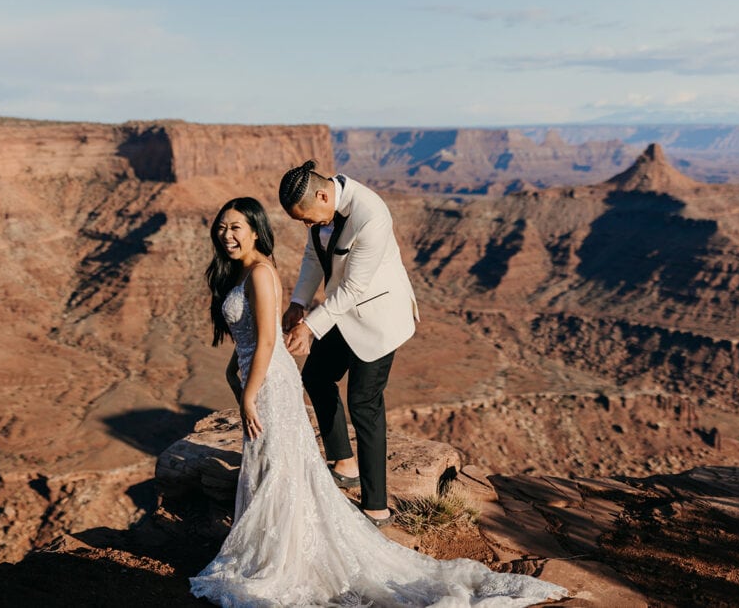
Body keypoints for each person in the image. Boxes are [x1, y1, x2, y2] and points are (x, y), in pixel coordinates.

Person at [190, 196, 566, 607]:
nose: (226, 235)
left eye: (236, 227)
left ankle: (321, 534)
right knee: (271, 464)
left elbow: (266, 340)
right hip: (259, 378)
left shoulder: (261, 273)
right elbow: (249, 335)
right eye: (222, 227)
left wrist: (247, 394)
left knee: (282, 462)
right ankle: (274, 545)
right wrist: (235, 371)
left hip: (272, 384)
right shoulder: (243, 272)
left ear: (257, 231)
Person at [279, 159, 418, 526]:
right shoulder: (322, 212)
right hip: (342, 311)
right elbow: (314, 256)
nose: (308, 225)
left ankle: (377, 507)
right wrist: (298, 302)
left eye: (307, 218)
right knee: (316, 377)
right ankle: (345, 462)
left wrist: (309, 327)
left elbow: (356, 288)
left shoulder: (371, 215)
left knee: (364, 403)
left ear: (322, 195)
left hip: (378, 318)